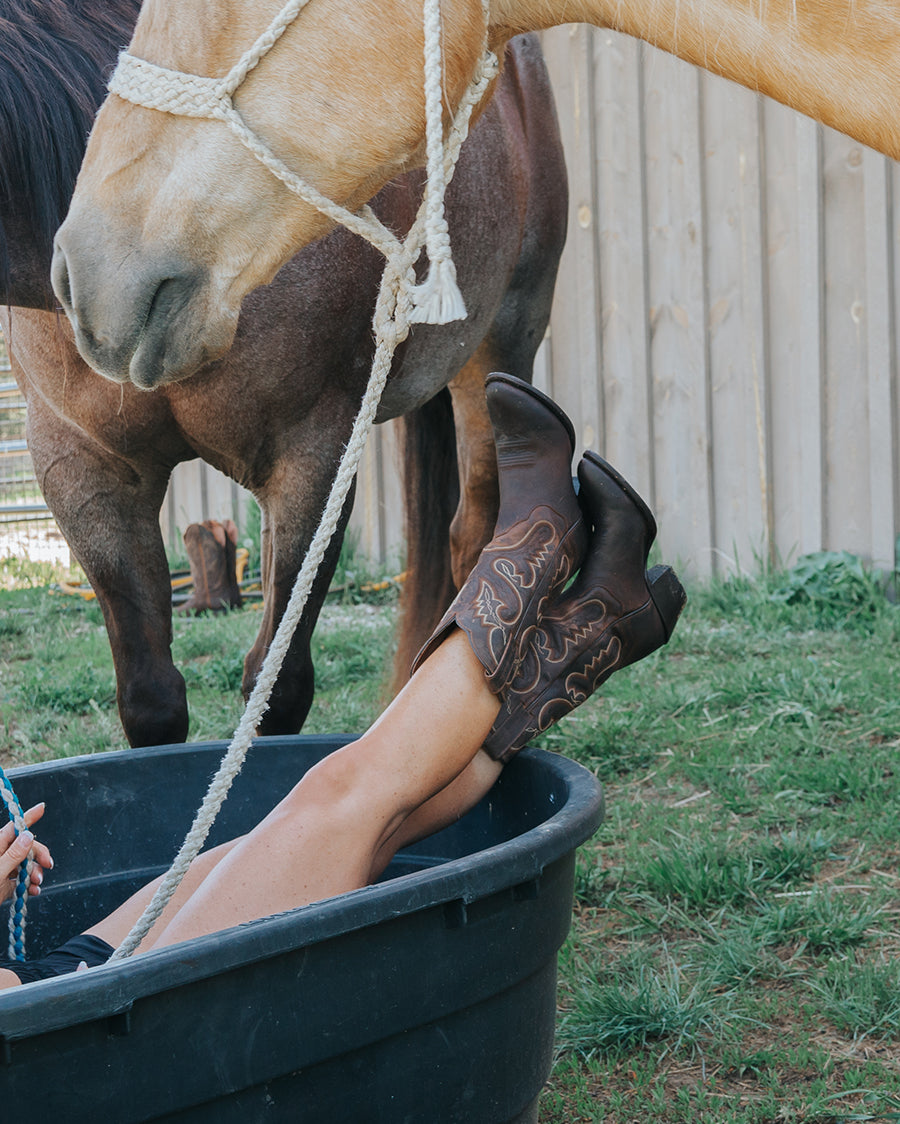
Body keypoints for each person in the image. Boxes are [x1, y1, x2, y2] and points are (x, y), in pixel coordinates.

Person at [0, 373, 685, 989]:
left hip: (46, 977)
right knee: (337, 802)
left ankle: (601, 616)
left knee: (315, 836)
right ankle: (537, 547)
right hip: (53, 1029)